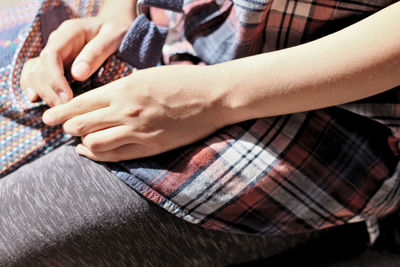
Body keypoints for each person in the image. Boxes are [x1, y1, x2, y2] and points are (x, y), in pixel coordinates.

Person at [1, 0, 400, 265]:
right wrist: (116, 12)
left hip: (322, 100)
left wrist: (214, 97)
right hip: (171, 22)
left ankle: (334, 236)